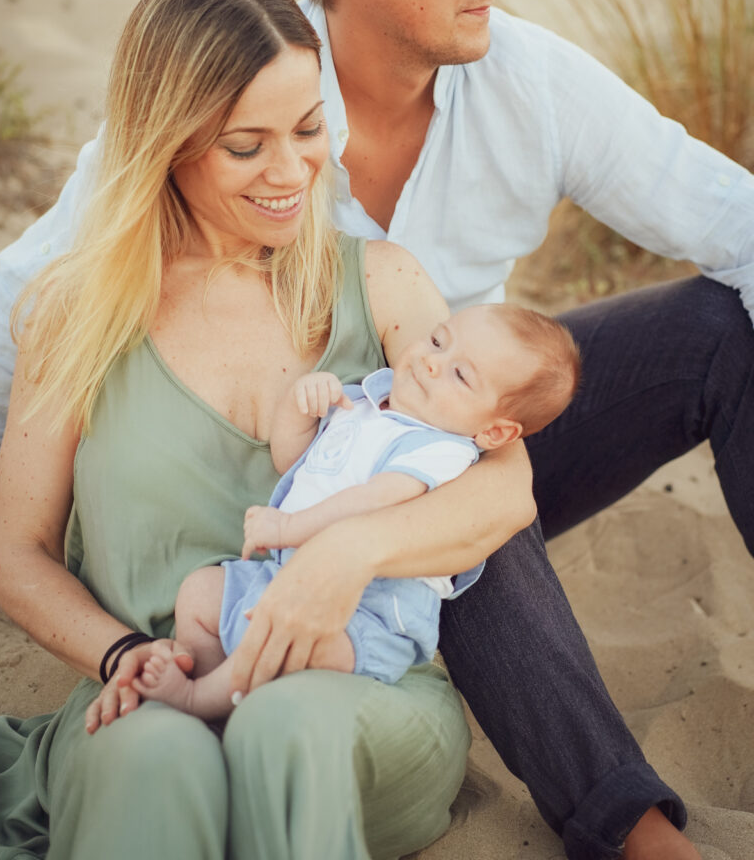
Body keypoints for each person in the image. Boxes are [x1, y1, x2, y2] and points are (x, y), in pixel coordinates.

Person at [0, 0, 751, 858]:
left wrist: (350, 551)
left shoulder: (512, 103)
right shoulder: (230, 89)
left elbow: (730, 218)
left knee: (509, 426)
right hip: (335, 482)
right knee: (431, 458)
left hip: (451, 434)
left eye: (309, 133)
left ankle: (627, 825)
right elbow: (29, 304)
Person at [0, 0, 539, 860]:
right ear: (166, 143)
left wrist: (348, 555)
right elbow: (18, 551)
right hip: (146, 679)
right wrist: (126, 657)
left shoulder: (387, 286)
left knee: (283, 728)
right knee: (155, 760)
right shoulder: (70, 313)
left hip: (354, 685)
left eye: (311, 127)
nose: (293, 171)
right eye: (247, 145)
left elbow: (504, 490)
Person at [130, 303, 581, 719]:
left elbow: (375, 500)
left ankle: (199, 701)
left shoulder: (442, 450)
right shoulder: (364, 404)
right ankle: (207, 674)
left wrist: (289, 526)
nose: (431, 361)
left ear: (496, 431)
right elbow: (295, 463)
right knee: (200, 591)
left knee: (284, 642)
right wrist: (298, 406)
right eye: (438, 341)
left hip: (369, 614)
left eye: (460, 376)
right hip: (289, 577)